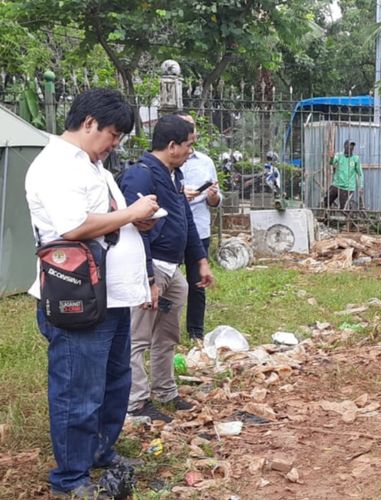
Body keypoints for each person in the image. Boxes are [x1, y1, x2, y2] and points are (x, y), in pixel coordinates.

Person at [25, 88, 160, 498]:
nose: (114, 144)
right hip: (77, 296)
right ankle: (71, 479)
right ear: (88, 124)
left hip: (110, 296)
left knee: (113, 383)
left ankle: (101, 453)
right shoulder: (55, 166)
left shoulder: (91, 165)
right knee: (78, 390)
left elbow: (105, 220)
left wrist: (137, 222)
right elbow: (72, 227)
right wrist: (132, 213)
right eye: (113, 134)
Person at [119, 114, 215, 423]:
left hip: (172, 272)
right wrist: (148, 277)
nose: (191, 151)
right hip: (151, 270)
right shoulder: (141, 176)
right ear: (172, 145)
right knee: (139, 336)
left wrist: (199, 259)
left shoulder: (174, 175)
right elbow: (136, 230)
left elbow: (185, 221)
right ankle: (136, 401)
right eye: (189, 145)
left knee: (167, 333)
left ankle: (165, 390)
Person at [176, 111, 222, 341]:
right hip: (173, 229)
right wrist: (180, 193)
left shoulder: (206, 162)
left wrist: (212, 195)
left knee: (198, 282)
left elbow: (216, 200)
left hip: (199, 228)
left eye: (192, 127)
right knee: (168, 282)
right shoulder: (168, 160)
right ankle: (165, 331)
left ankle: (196, 332)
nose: (190, 132)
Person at [325, 139, 363, 209]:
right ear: (345, 146)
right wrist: (331, 157)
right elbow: (332, 163)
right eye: (349, 146)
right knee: (326, 201)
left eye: (352, 146)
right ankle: (326, 216)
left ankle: (347, 218)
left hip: (347, 187)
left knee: (343, 208)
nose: (351, 148)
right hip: (336, 184)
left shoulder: (355, 158)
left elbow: (360, 173)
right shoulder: (339, 155)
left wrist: (361, 185)